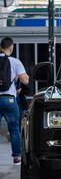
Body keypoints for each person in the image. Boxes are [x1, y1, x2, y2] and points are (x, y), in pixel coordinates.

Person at [0, 37, 29, 165]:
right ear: (11, 48)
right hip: (9, 99)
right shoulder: (15, 62)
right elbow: (25, 81)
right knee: (14, 128)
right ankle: (17, 157)